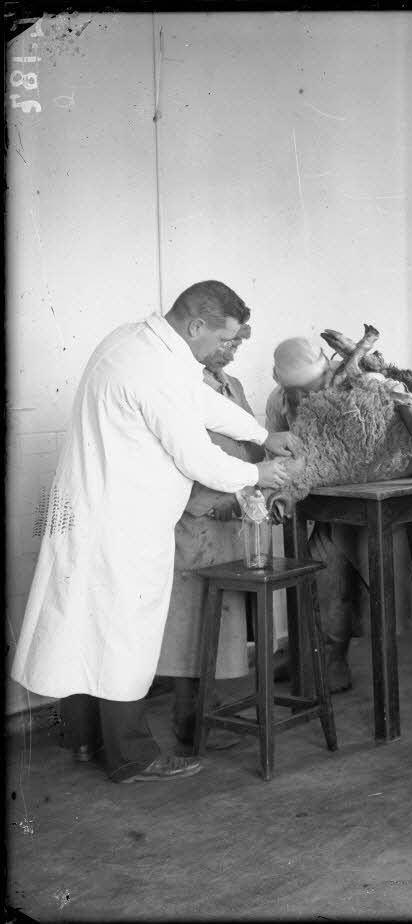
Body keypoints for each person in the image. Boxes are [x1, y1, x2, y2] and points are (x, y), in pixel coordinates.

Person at [10, 280, 294, 784]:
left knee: (83, 621)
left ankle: (84, 739)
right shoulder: (153, 366)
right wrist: (258, 473)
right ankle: (131, 757)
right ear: (197, 324)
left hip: (92, 508)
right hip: (121, 518)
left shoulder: (138, 343)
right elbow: (196, 455)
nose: (221, 352)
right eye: (222, 339)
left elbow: (200, 405)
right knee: (122, 633)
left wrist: (260, 433)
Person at [263, 336, 412, 693]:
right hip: (317, 500)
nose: (305, 396)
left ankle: (335, 659)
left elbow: (410, 407)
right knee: (314, 573)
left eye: (312, 387)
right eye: (296, 390)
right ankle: (307, 652)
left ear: (327, 369)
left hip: (367, 493)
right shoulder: (279, 401)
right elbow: (276, 448)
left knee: (356, 575)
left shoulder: (364, 382)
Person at [155, 322, 261, 753]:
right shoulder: (179, 383)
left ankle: (208, 706)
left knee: (222, 618)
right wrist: (207, 500)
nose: (232, 351)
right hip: (195, 515)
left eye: (238, 344)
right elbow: (179, 454)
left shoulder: (232, 385)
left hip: (230, 513)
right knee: (189, 618)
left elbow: (250, 440)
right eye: (228, 341)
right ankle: (187, 716)